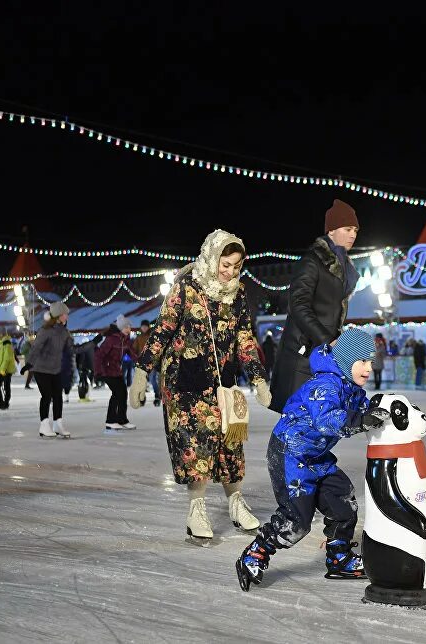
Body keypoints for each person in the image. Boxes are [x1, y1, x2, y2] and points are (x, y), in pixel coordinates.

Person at [132, 230, 271, 540]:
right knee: (198, 446)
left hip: (224, 380)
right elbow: (163, 331)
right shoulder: (185, 289)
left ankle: (235, 502)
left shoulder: (239, 293)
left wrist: (258, 377)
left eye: (237, 266)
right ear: (212, 258)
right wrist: (142, 372)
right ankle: (196, 508)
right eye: (226, 264)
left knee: (231, 442)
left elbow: (244, 338)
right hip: (186, 382)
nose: (231, 271)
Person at [236, 329, 389, 591]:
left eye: (371, 362)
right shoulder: (326, 385)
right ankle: (256, 553)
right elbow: (327, 420)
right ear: (345, 359)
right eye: (362, 361)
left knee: (343, 502)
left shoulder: (349, 387)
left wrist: (382, 407)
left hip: (316, 456)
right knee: (296, 520)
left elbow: (361, 407)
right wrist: (360, 421)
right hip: (290, 454)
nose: (368, 368)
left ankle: (338, 558)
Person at [270, 200, 360, 412]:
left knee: (320, 420)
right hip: (302, 354)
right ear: (331, 230)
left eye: (355, 230)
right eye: (347, 229)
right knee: (298, 422)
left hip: (324, 355)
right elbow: (298, 305)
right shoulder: (313, 261)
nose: (353, 234)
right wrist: (327, 339)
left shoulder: (344, 268)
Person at [26, 302, 75, 438]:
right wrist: (29, 363)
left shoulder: (64, 332)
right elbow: (36, 348)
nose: (67, 317)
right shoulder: (45, 330)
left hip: (55, 369)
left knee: (58, 397)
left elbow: (71, 349)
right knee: (47, 396)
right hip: (41, 369)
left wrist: (92, 344)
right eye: (65, 315)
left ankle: (58, 424)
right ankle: (44, 425)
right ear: (58, 315)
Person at [95, 315, 135, 431]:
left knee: (123, 394)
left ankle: (122, 420)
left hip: (117, 371)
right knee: (117, 394)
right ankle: (111, 421)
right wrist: (98, 372)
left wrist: (143, 363)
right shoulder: (111, 339)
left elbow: (132, 354)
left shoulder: (126, 340)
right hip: (107, 371)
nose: (129, 329)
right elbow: (99, 355)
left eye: (130, 327)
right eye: (127, 327)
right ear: (121, 328)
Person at [0, 329, 17, 410]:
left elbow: (7, 358)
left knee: (6, 387)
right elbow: (0, 358)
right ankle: (1, 403)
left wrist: (3, 369)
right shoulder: (0, 343)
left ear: (1, 333)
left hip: (6, 370)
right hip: (0, 369)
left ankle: (6, 403)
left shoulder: (7, 342)